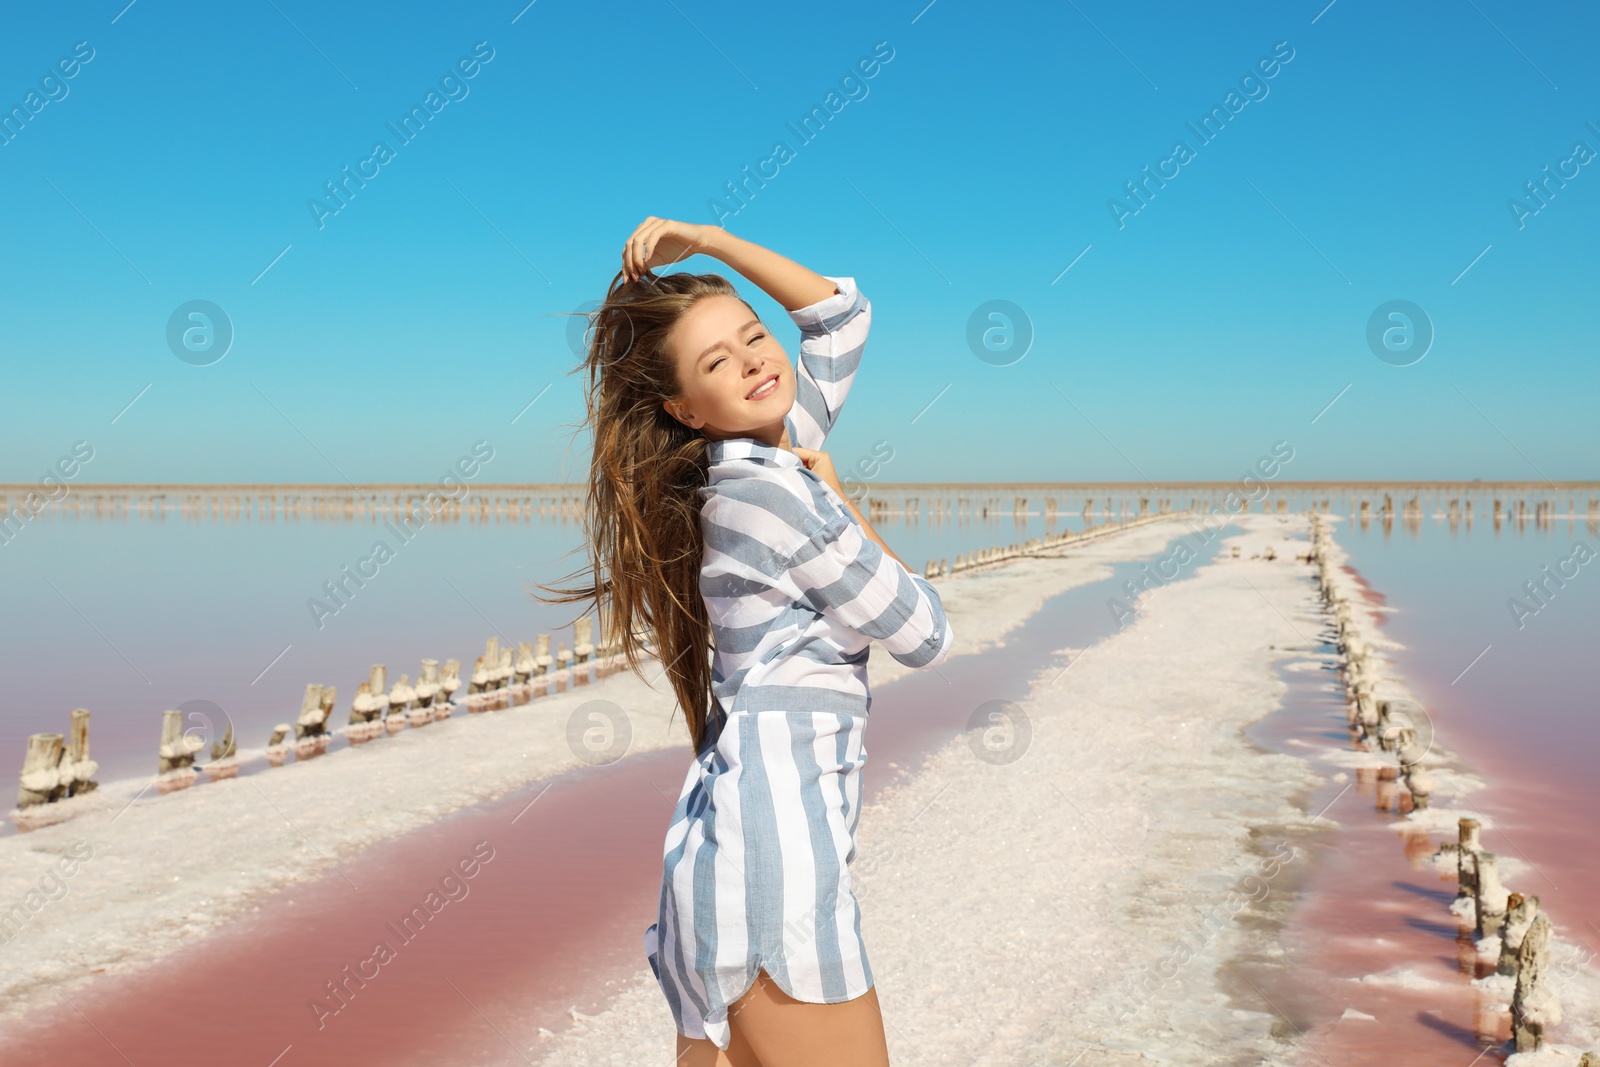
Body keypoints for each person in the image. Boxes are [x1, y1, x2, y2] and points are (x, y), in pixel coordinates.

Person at [541, 217, 953, 1066]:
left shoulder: (764, 454)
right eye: (717, 363)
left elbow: (840, 313)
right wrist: (842, 501)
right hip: (777, 877)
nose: (756, 361)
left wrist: (712, 241)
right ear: (684, 410)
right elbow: (922, 630)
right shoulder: (777, 494)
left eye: (753, 335)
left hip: (727, 864)